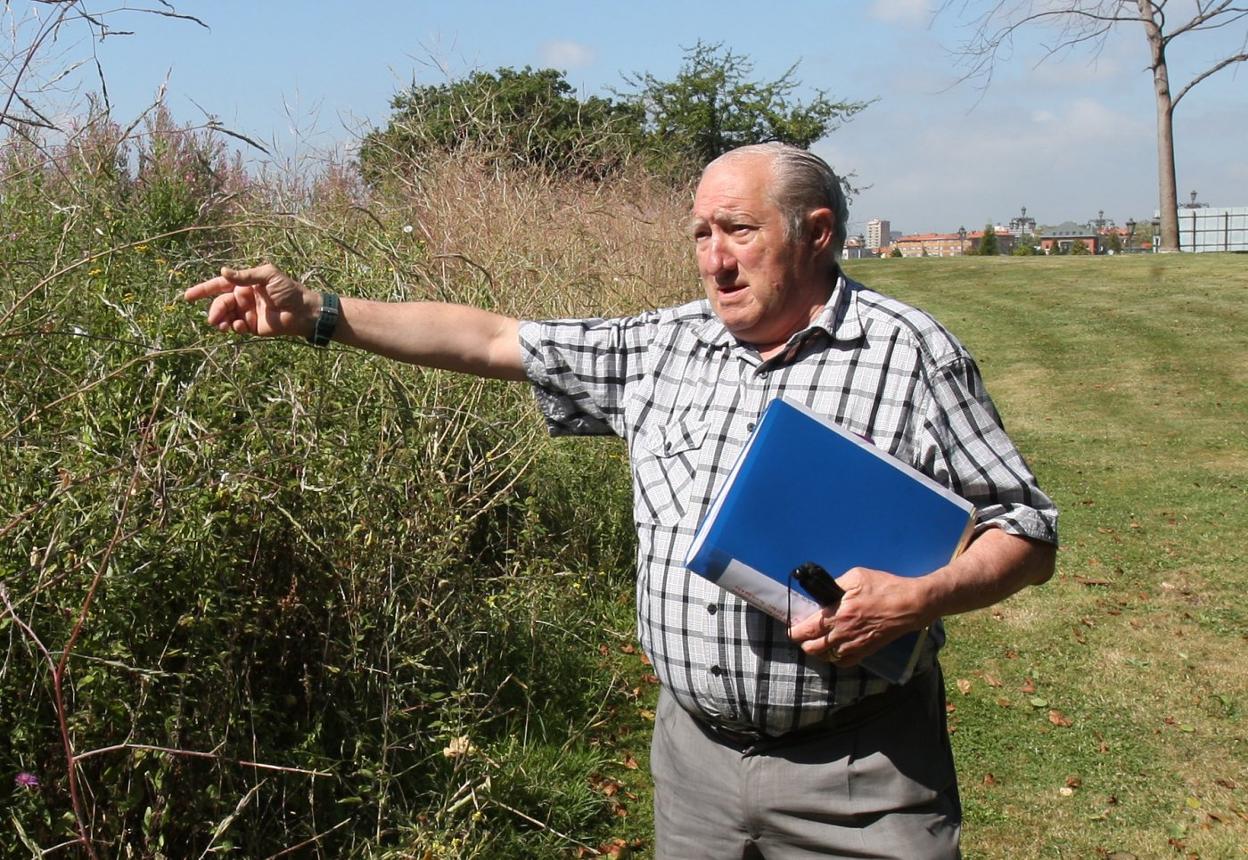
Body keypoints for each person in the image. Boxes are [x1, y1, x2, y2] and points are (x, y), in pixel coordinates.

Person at [186, 142, 1058, 858]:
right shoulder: (661, 348)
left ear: (817, 232)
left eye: (740, 231)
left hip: (860, 777)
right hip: (695, 771)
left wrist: (919, 597)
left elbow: (1027, 528)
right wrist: (322, 313)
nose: (715, 259)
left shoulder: (910, 355)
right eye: (700, 234)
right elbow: (489, 338)